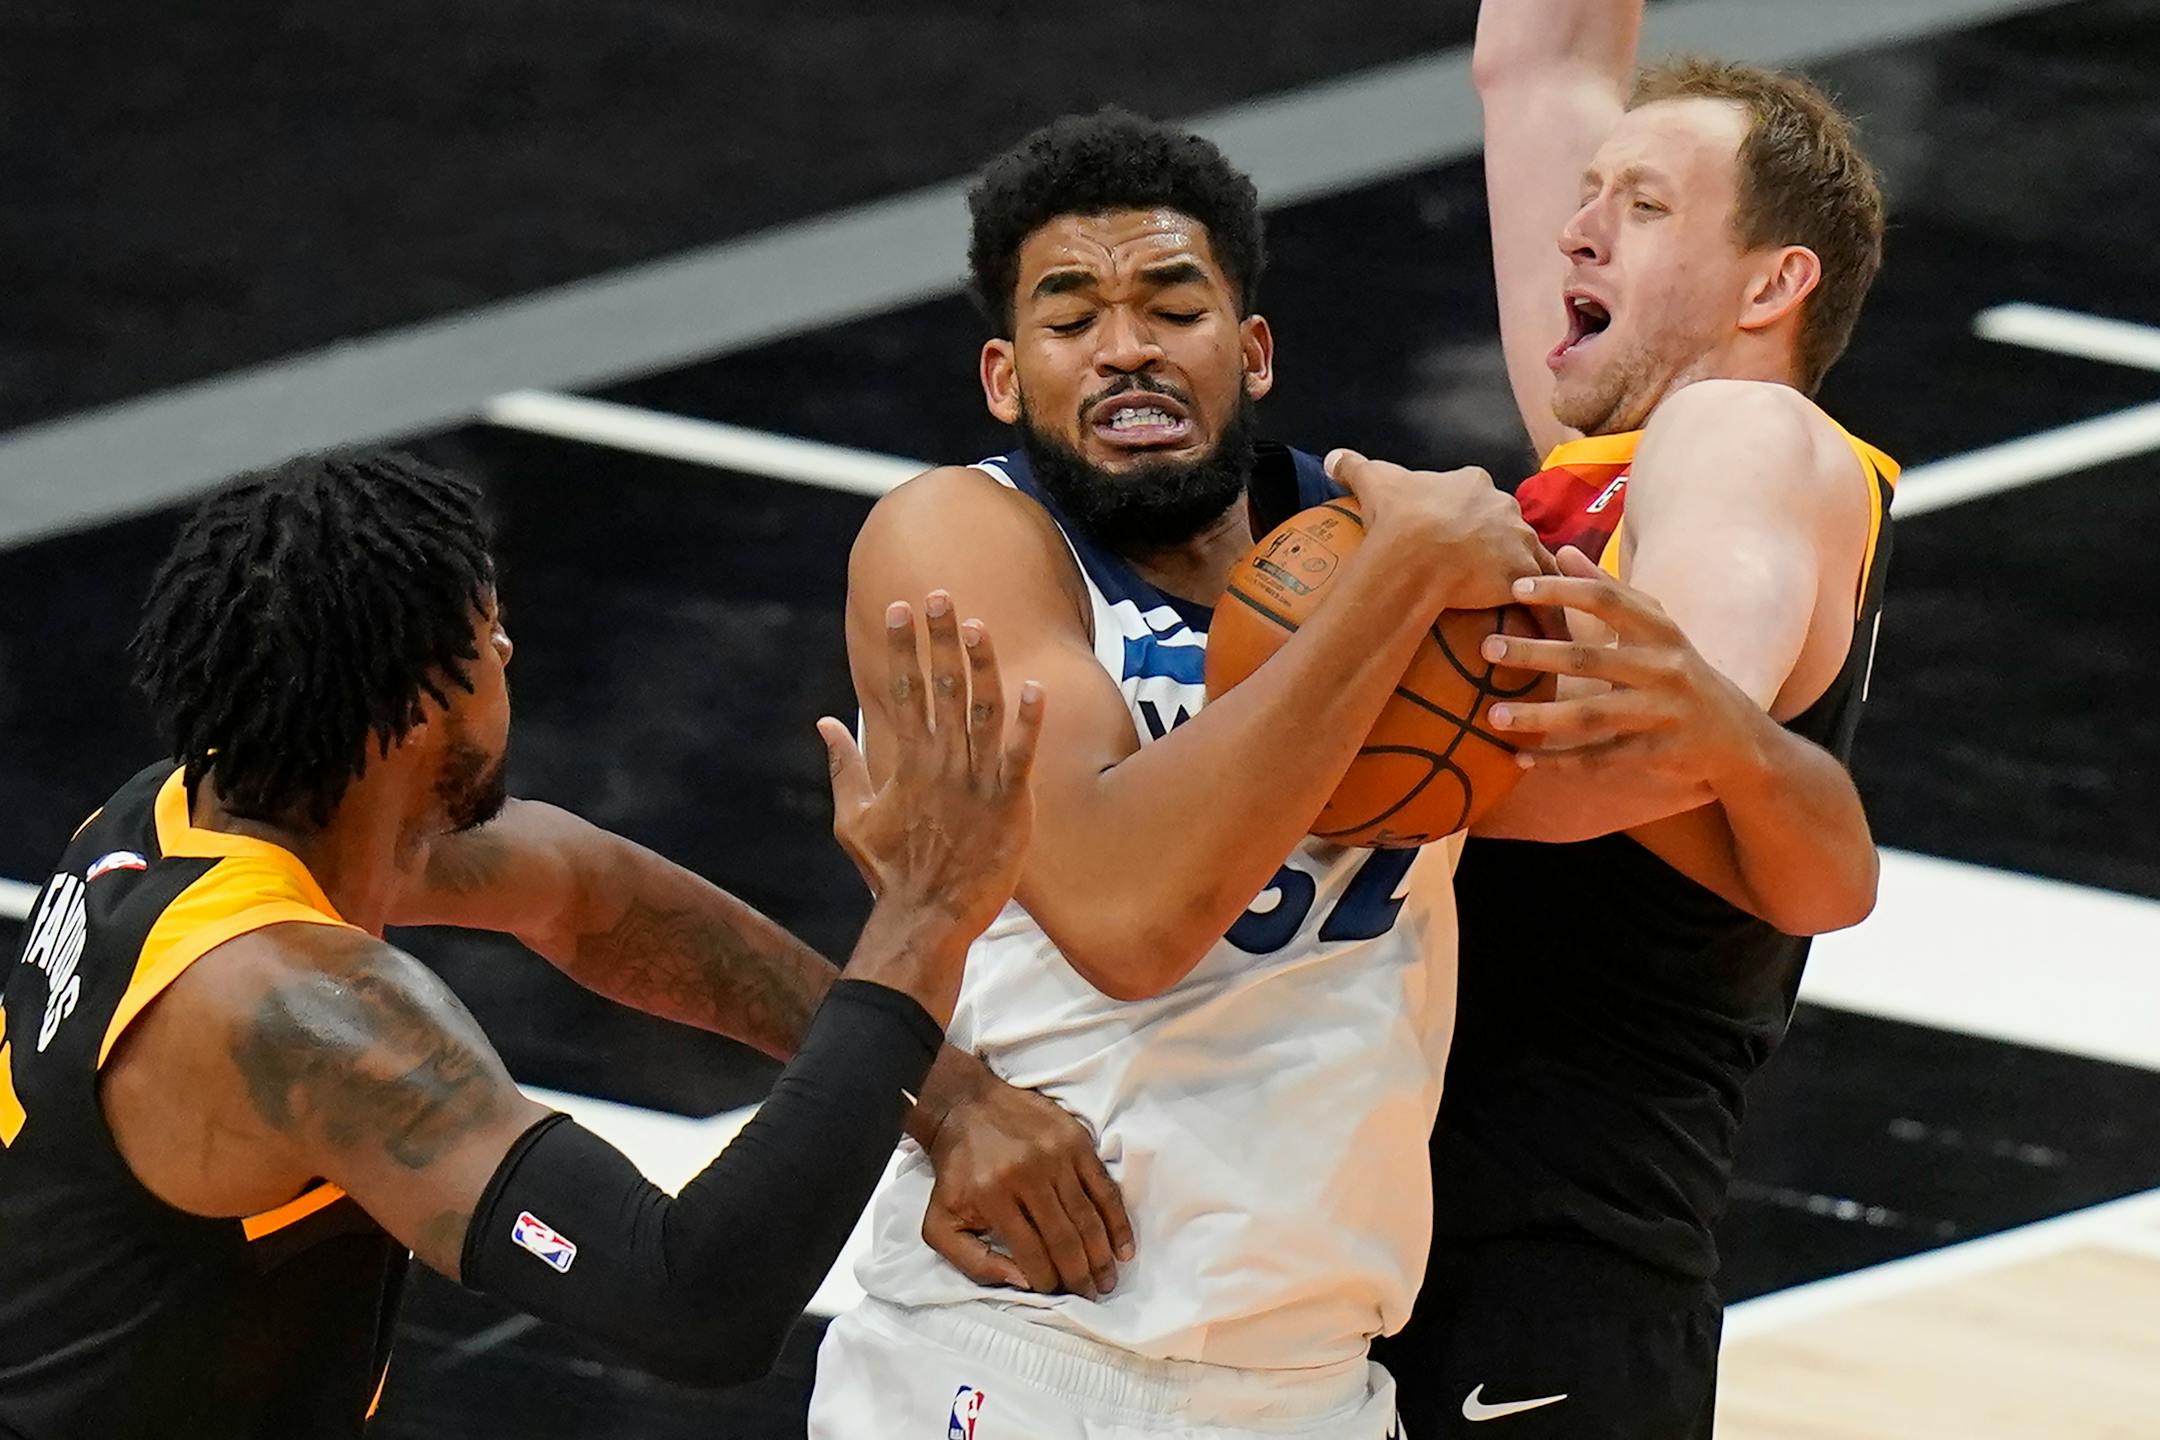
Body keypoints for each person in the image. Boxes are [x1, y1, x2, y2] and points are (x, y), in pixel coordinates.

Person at [0, 451, 1059, 1439]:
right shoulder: (294, 1014)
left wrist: (947, 1094)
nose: (508, 649)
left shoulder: (198, 814)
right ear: (417, 707)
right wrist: (921, 922)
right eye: (486, 633)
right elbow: (691, 1303)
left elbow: (586, 892)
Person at [804, 108, 1548, 1440]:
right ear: (1001, 374)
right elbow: (1131, 920)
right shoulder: (962, 543)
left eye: (1171, 305)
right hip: (1019, 1352)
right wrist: (1401, 585)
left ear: (1251, 351)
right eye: (1069, 316)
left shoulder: (1383, 541)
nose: (1125, 346)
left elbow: (1747, 846)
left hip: (1309, 1376)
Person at [1369, 5, 1900, 1435]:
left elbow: (1634, 744)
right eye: (1588, 198)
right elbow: (1541, 62)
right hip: (1409, 1241)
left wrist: (1313, 720)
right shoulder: (1609, 475)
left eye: (1643, 205)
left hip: (1548, 1264)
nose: (1579, 231)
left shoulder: (1744, 434)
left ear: (1770, 284)